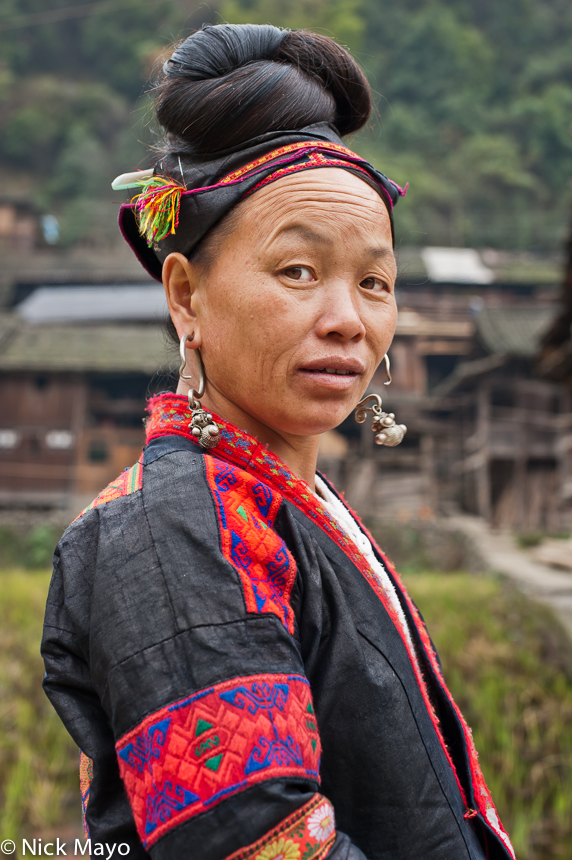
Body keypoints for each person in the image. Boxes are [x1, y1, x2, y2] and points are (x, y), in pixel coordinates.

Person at [42, 24, 515, 860]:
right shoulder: (172, 533)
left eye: (374, 282)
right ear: (185, 297)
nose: (348, 318)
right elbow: (256, 838)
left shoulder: (286, 507)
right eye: (297, 271)